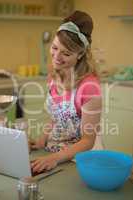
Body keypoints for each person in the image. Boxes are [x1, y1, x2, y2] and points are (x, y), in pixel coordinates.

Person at [30, 10, 103, 173]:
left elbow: (87, 140)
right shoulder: (54, 75)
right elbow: (56, 117)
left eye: (66, 53)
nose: (56, 56)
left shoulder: (89, 87)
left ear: (81, 54)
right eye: (55, 48)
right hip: (55, 154)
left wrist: (54, 159)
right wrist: (42, 140)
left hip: (80, 161)